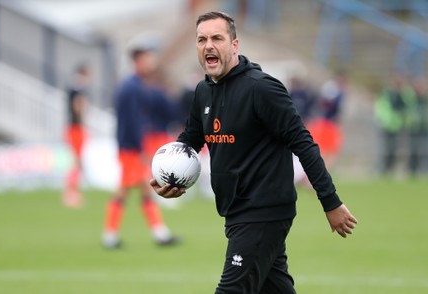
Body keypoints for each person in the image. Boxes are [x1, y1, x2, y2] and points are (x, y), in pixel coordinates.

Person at [150, 11, 358, 293]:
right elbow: (191, 139)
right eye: (201, 39)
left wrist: (330, 202)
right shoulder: (203, 91)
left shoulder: (262, 88)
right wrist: (172, 176)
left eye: (217, 38)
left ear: (234, 45)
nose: (208, 45)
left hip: (263, 210)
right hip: (236, 211)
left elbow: (303, 143)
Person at [101, 46, 178, 248]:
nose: (151, 64)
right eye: (147, 60)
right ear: (137, 61)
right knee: (124, 189)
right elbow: (132, 122)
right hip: (131, 149)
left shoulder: (133, 86)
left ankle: (159, 233)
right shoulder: (132, 88)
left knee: (144, 188)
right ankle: (110, 235)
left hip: (130, 147)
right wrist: (140, 148)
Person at [62, 64, 90, 208]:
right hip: (76, 128)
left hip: (73, 128)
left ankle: (72, 193)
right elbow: (77, 106)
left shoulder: (72, 88)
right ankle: (70, 194)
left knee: (76, 162)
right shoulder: (78, 90)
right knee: (76, 162)